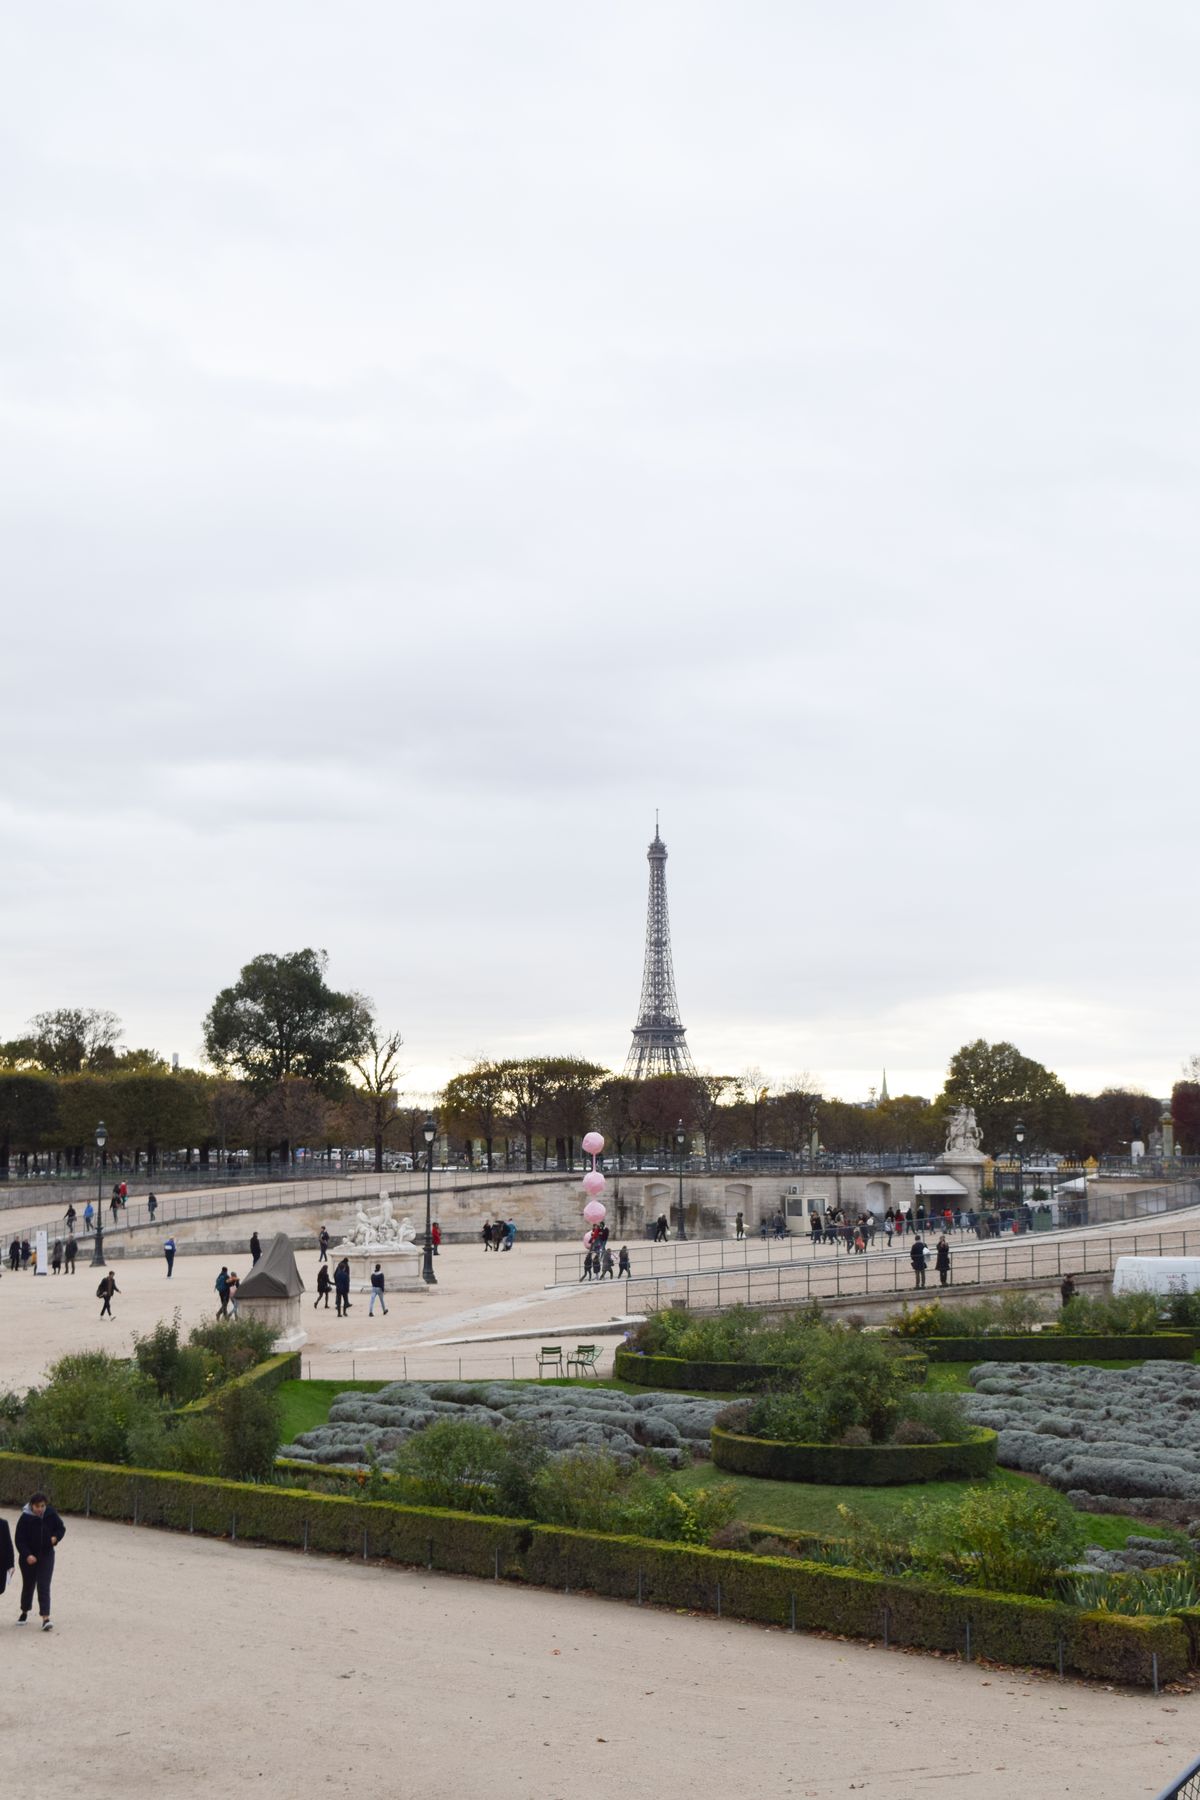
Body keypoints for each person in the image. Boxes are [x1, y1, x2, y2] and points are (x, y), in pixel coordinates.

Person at [16, 1492, 65, 1631]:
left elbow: (61, 1528)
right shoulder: (25, 1518)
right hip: (29, 1558)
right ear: (31, 1505)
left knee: (43, 1585)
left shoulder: (50, 1514)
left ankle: (45, 1618)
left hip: (46, 1555)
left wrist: (55, 1537)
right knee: (28, 1585)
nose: (40, 1509)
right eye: (37, 1506)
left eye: (42, 1506)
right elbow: (19, 1540)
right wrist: (27, 1555)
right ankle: (24, 1611)